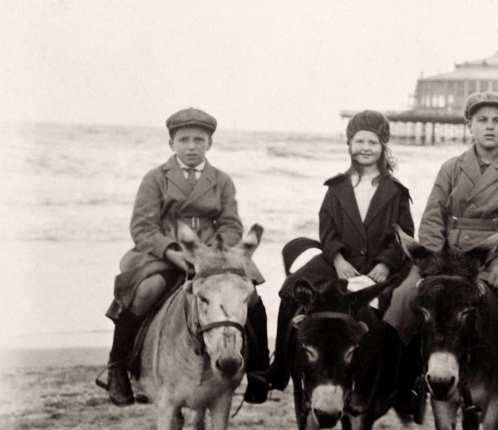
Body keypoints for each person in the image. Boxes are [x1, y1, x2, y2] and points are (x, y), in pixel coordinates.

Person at [98, 107, 268, 406]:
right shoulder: (155, 178)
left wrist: (214, 253)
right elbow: (142, 227)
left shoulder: (221, 180)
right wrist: (174, 252)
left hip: (212, 255)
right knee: (146, 292)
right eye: (184, 140)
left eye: (199, 140)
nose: (191, 147)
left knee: (251, 295)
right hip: (163, 252)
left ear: (209, 144)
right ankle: (118, 367)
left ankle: (258, 371)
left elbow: (231, 223)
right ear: (172, 144)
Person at [383, 90, 498, 375]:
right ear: (469, 125)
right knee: (402, 298)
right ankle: (402, 378)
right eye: (482, 119)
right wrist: (434, 264)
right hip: (447, 260)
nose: (490, 126)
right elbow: (432, 219)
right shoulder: (451, 168)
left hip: (496, 259)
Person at [265, 110, 416, 408]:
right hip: (339, 261)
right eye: (359, 141)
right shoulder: (336, 188)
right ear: (349, 145)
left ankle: (405, 382)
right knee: (290, 288)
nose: (365, 147)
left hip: (380, 264)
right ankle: (279, 369)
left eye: (372, 142)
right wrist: (336, 259)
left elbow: (405, 234)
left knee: (406, 303)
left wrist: (385, 263)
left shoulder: (396, 191)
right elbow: (327, 228)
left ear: (383, 146)